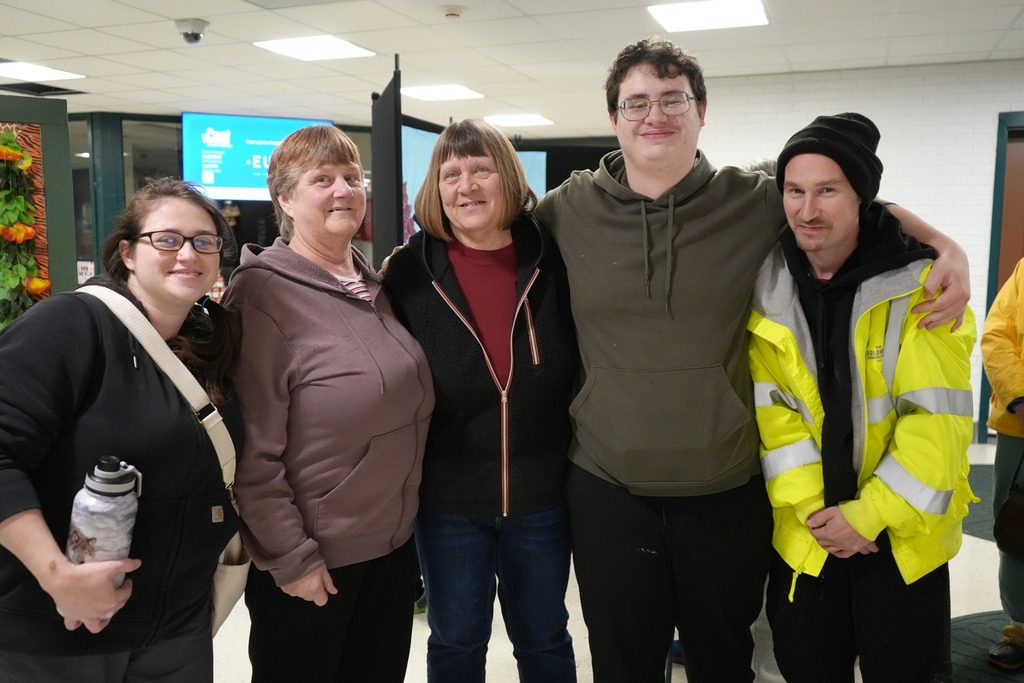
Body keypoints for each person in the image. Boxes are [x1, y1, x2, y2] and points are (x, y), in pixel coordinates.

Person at [531, 36, 971, 683]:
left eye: (674, 98)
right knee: (622, 660)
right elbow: (484, 240)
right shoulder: (566, 209)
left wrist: (942, 243)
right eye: (637, 102)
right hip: (607, 485)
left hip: (727, 484)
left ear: (702, 111)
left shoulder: (754, 198)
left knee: (723, 658)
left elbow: (850, 205)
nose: (656, 114)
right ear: (613, 118)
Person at [748, 112, 976, 682]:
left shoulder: (923, 288)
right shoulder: (769, 285)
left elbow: (937, 426)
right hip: (810, 538)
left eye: (828, 190)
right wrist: (814, 514)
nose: (807, 209)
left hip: (900, 541)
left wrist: (867, 517)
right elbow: (775, 418)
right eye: (795, 191)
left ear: (862, 198)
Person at [0, 178, 242, 682]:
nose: (188, 254)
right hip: (60, 630)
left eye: (205, 241)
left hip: (175, 633)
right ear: (128, 253)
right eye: (168, 239)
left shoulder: (208, 344)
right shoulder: (71, 324)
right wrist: (57, 575)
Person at [223, 124, 434, 683]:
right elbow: (253, 450)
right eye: (322, 179)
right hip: (315, 557)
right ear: (286, 200)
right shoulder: (262, 295)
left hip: (388, 547)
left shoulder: (369, 282)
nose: (343, 190)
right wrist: (292, 558)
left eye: (350, 177)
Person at [383, 118, 578, 682]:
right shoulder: (408, 272)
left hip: (542, 497)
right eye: (451, 174)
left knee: (544, 640)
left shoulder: (552, 260)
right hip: (448, 503)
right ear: (436, 189)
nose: (466, 185)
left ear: (507, 178)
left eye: (481, 169)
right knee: (456, 643)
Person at [981, 257, 1024, 670]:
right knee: (1017, 528)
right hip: (1021, 427)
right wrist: (1021, 398)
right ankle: (1019, 629)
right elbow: (996, 338)